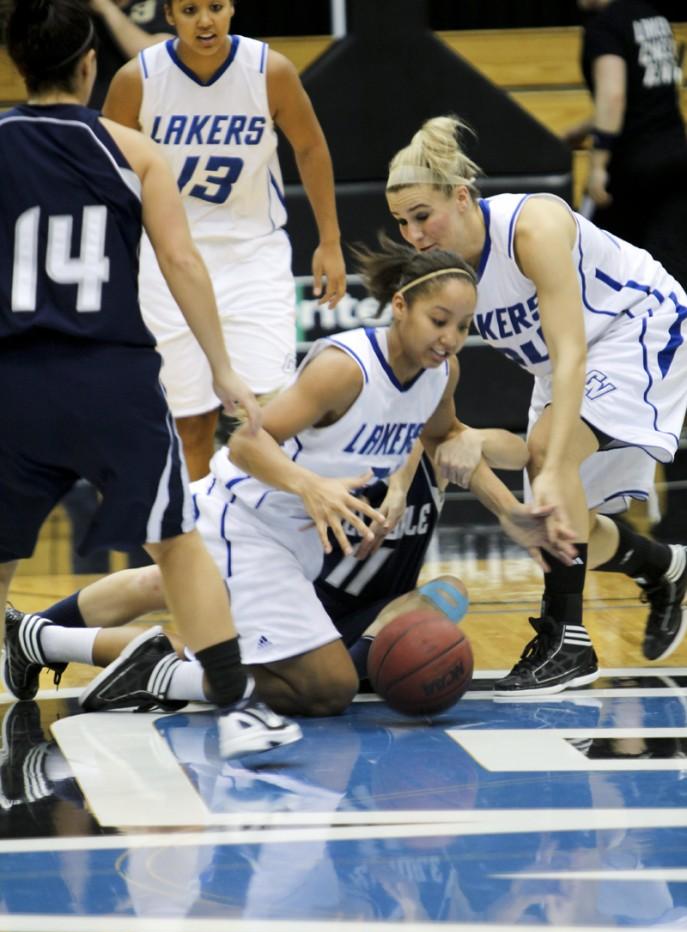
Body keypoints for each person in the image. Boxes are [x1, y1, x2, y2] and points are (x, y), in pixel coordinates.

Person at [11, 240, 574, 717]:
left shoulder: (440, 372)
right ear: (400, 306)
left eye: (463, 326)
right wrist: (312, 486)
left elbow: (447, 437)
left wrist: (510, 515)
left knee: (202, 619)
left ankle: (40, 638)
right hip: (248, 523)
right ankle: (159, 673)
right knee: (327, 689)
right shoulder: (344, 369)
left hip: (295, 540)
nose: (450, 337)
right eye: (439, 320)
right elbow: (243, 445)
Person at [0, 0, 302, 759]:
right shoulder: (133, 149)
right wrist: (224, 369)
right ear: (89, 64)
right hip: (110, 373)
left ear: (17, 64)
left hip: (15, 377)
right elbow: (181, 262)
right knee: (175, 540)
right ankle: (235, 707)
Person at [386, 114, 687, 698]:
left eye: (423, 217)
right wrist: (400, 476)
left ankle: (567, 641)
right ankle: (663, 567)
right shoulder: (438, 271)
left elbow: (572, 348)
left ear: (464, 197)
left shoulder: (533, 226)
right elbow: (426, 369)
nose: (414, 235)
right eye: (402, 223)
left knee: (550, 459)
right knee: (567, 529)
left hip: (636, 327)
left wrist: (550, 462)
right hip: (564, 363)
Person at [101, 0, 346, 479]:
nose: (206, 21)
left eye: (215, 6)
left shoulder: (268, 69)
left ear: (234, 7)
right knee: (188, 423)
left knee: (269, 414)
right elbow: (106, 171)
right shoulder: (137, 79)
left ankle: (264, 528)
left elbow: (311, 146)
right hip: (166, 261)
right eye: (190, 10)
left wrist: (330, 241)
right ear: (168, 15)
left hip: (253, 254)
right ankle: (200, 539)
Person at [565, 0, 687, 289]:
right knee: (671, 264)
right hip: (675, 157)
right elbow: (641, 97)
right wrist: (580, 129)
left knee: (593, 259)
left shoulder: (605, 26)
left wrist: (598, 164)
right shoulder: (652, 17)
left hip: (632, 167)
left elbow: (614, 96)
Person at [86, 0, 171, 111]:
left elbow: (157, 57)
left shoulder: (161, 5)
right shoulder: (76, 7)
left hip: (142, 111)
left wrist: (105, 6)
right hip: (90, 110)